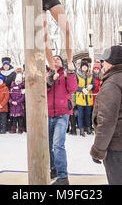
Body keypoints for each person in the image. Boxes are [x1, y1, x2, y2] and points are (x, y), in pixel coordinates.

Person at [90, 45, 122, 185]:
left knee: (118, 180)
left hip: (116, 141)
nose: (102, 64)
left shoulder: (112, 82)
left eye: (104, 61)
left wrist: (98, 149)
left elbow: (107, 121)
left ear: (111, 63)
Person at [47, 55, 78, 185]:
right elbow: (41, 90)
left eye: (58, 59)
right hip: (47, 114)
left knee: (58, 145)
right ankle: (53, 169)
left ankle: (63, 176)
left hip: (62, 113)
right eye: (53, 59)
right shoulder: (46, 74)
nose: (55, 60)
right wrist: (50, 80)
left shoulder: (66, 74)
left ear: (62, 62)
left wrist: (71, 73)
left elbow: (73, 88)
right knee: (48, 146)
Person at [75, 60, 96, 136]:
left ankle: (88, 128)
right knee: (81, 115)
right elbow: (74, 87)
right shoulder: (77, 75)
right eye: (83, 66)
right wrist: (81, 89)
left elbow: (94, 85)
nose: (84, 67)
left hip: (89, 98)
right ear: (81, 67)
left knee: (88, 114)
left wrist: (91, 86)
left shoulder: (90, 75)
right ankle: (81, 129)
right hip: (80, 98)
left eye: (86, 66)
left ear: (87, 67)